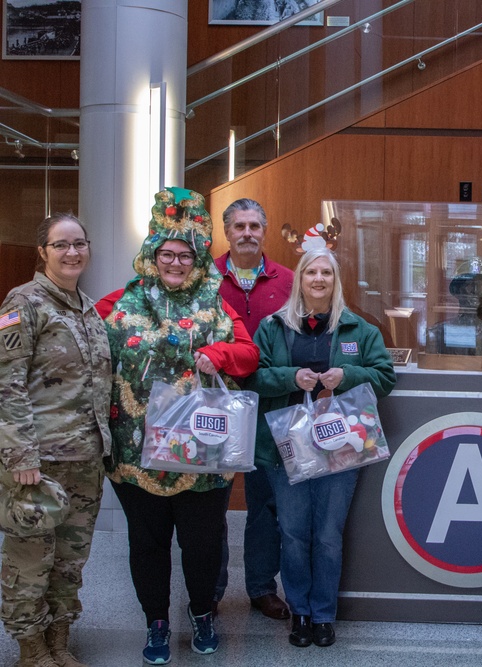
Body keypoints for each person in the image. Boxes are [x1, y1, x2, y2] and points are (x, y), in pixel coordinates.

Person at [98, 188, 259, 665]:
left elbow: (249, 354)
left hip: (203, 451)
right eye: (166, 254)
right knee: (147, 544)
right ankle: (157, 622)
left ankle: (203, 613)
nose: (175, 262)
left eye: (184, 255)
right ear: (152, 254)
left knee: (203, 544)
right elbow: (83, 348)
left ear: (197, 257)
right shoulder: (120, 300)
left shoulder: (216, 300)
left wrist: (218, 352)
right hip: (135, 452)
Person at [246, 248, 395, 648]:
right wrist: (291, 377)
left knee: (328, 535)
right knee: (293, 533)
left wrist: (347, 375)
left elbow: (385, 377)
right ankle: (302, 613)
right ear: (299, 279)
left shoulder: (359, 330)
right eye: (310, 271)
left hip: (341, 448)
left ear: (335, 280)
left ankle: (324, 614)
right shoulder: (272, 327)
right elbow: (253, 377)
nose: (318, 278)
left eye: (326, 272)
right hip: (286, 449)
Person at [0, 214, 111, 667]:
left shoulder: (87, 307)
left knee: (70, 561)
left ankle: (59, 643)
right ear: (42, 251)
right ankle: (31, 649)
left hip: (85, 458)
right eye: (61, 244)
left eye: (79, 243)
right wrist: (21, 453)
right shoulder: (22, 303)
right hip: (39, 461)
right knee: (31, 560)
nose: (72, 252)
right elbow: (8, 383)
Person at [212, 198, 294, 621]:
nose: (247, 232)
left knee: (266, 504)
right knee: (213, 501)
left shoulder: (290, 281)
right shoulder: (205, 279)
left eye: (254, 225)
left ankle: (262, 587)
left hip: (270, 409)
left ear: (265, 231)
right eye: (239, 225)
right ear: (226, 232)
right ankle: (212, 589)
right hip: (217, 407)